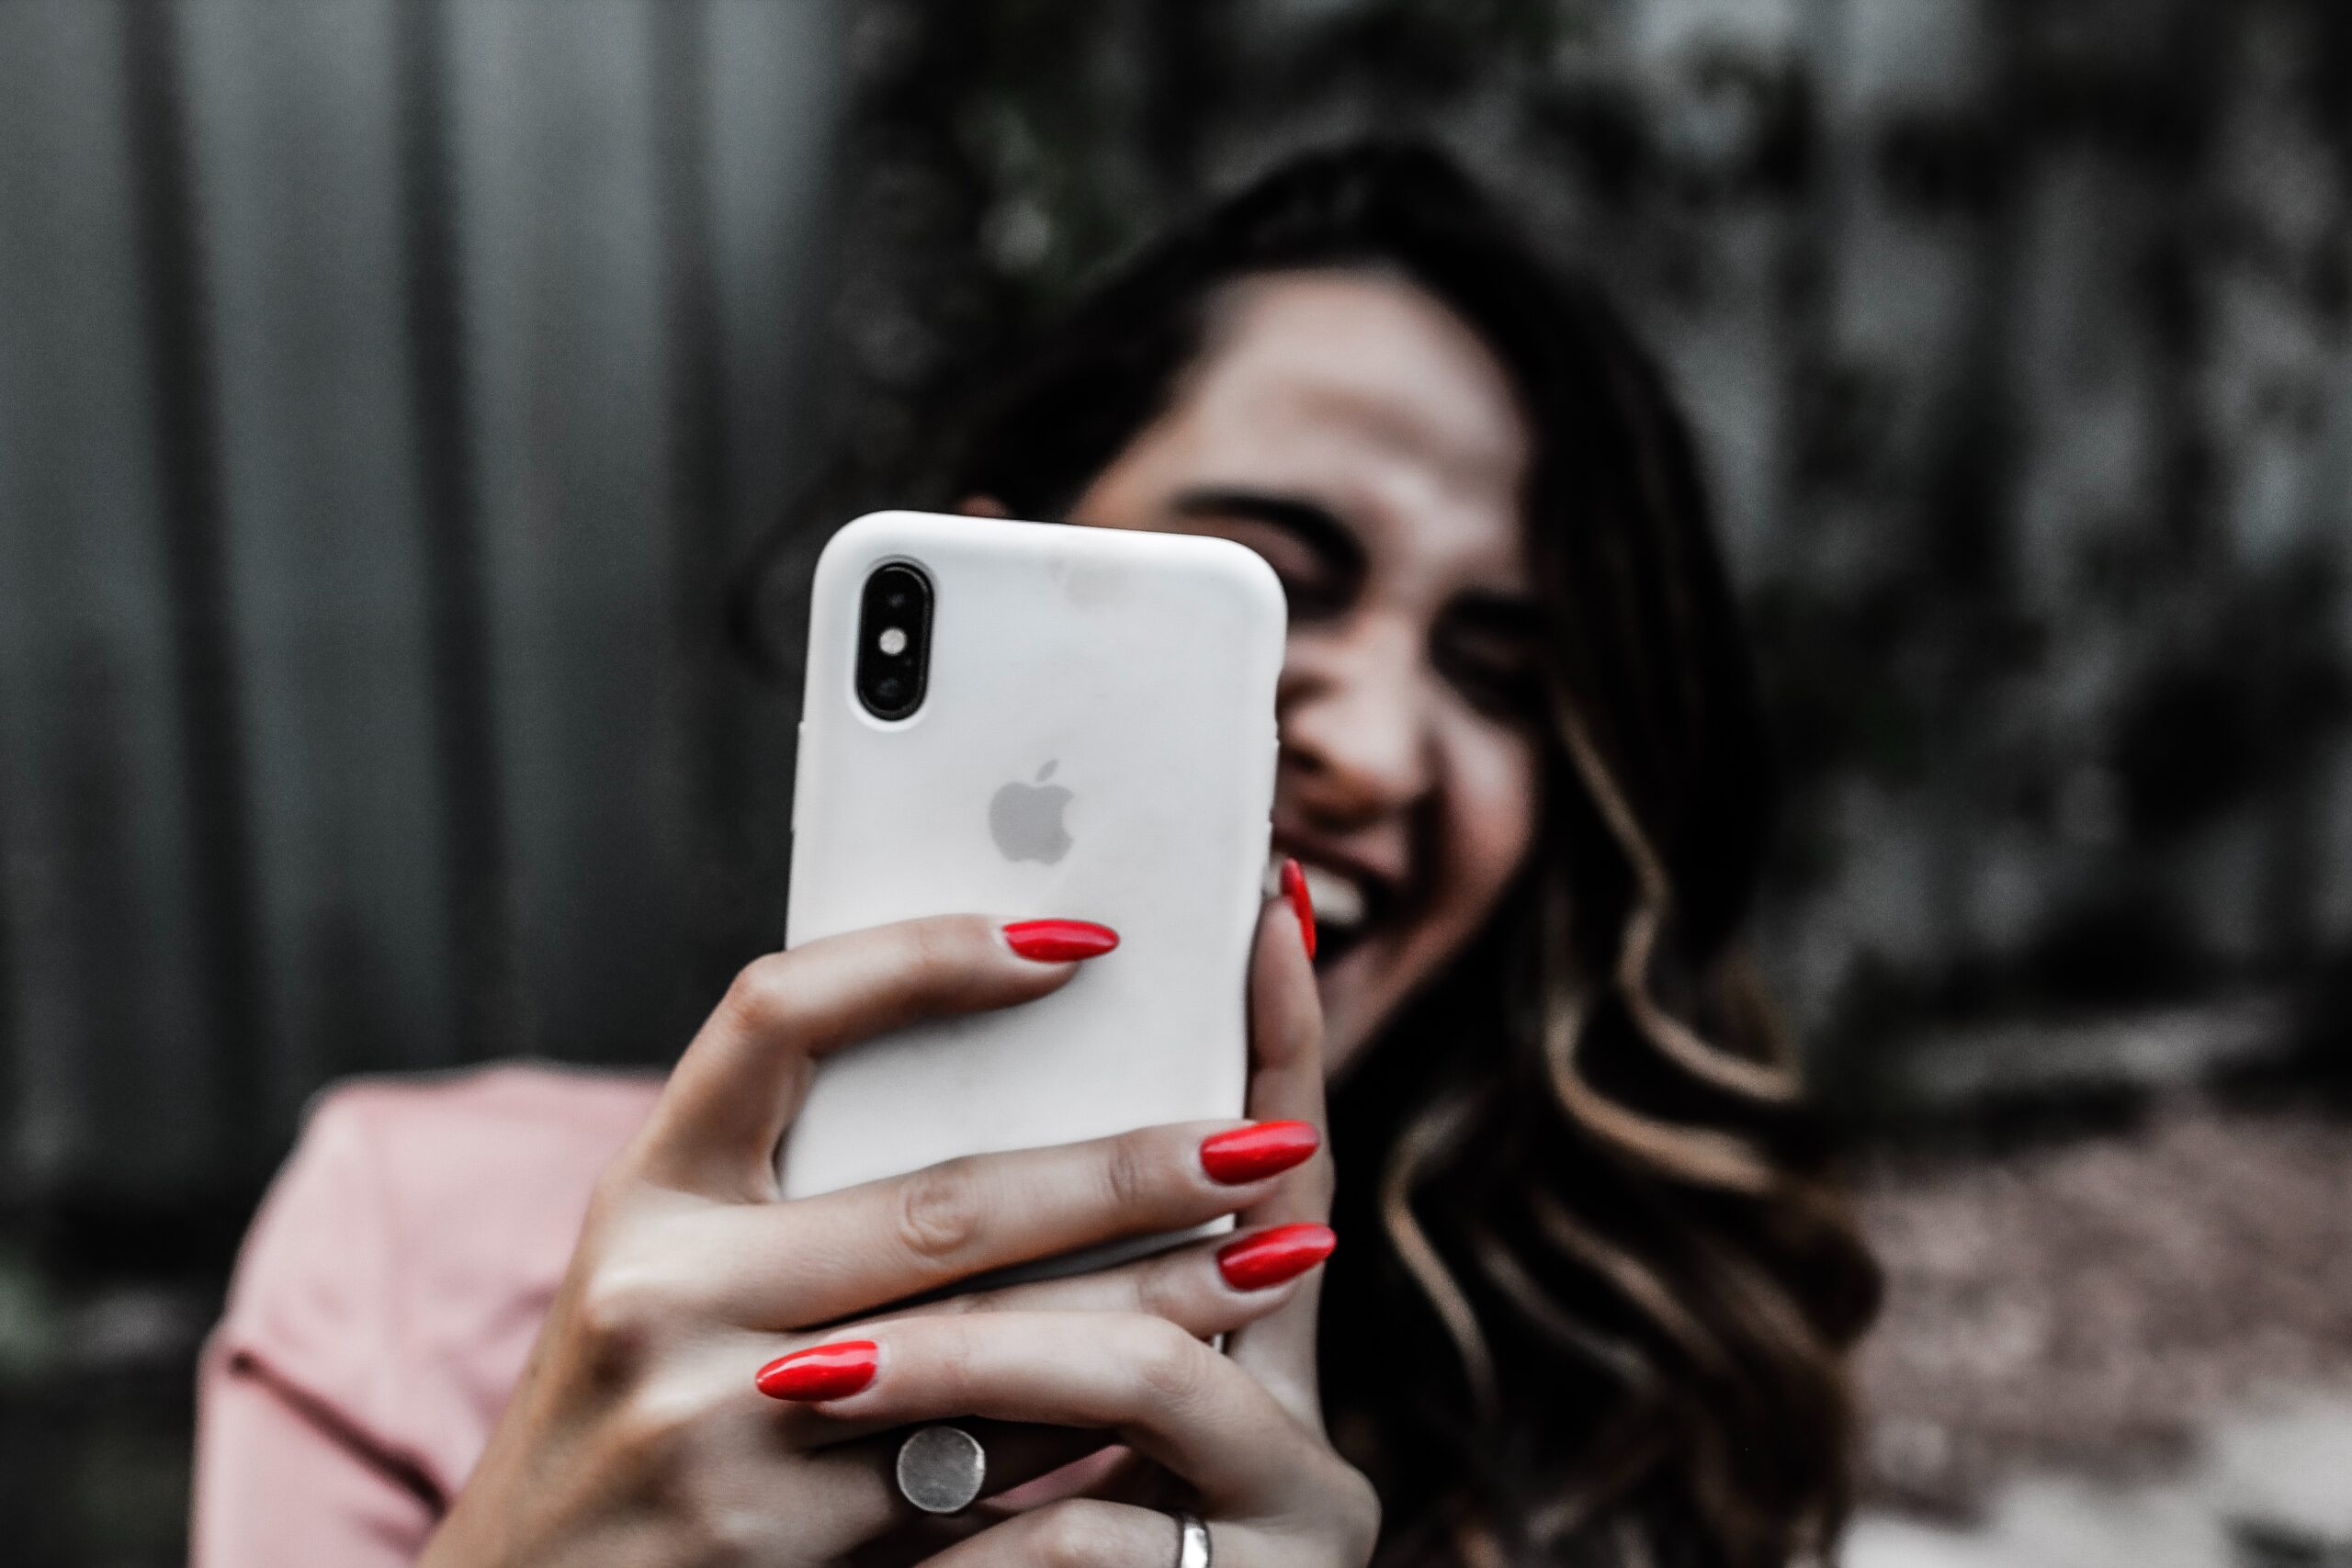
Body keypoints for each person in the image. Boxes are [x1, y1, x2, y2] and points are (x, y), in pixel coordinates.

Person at [193, 142, 1879, 1568]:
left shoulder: (1618, 1391)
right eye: (1273, 583)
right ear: (993, 566)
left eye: (1506, 677)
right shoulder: (413, 1244)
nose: (1372, 747)